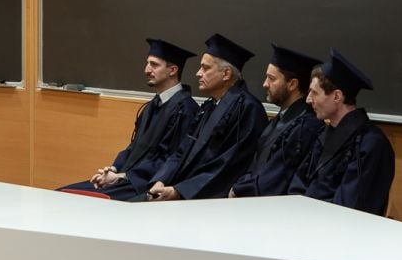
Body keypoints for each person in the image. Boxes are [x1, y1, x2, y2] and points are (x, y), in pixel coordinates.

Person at [59, 38, 198, 200]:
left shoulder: (186, 110)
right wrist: (113, 169)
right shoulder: (152, 105)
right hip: (127, 178)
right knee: (61, 195)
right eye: (147, 63)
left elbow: (169, 160)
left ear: (173, 70)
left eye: (154, 65)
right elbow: (134, 146)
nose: (146, 70)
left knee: (85, 204)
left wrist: (122, 177)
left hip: (144, 185)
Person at [146, 33, 268, 201]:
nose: (198, 73)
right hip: (180, 188)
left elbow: (227, 165)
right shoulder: (210, 105)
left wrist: (179, 191)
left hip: (206, 198)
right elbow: (182, 151)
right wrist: (161, 180)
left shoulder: (247, 109)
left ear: (226, 74)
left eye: (205, 68)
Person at [288, 49, 395, 215]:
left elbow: (350, 206)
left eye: (314, 92)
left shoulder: (371, 144)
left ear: (337, 96)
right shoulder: (324, 134)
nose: (308, 100)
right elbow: (298, 185)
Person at [230, 44, 322, 198]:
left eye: (271, 79)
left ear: (292, 84)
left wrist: (239, 190)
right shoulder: (280, 118)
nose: (265, 84)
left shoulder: (305, 126)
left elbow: (275, 179)